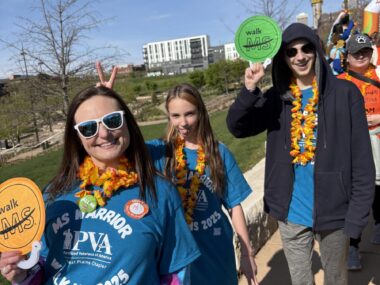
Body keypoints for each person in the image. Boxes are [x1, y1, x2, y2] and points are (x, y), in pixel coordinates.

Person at [0, 85, 200, 284]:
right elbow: (43, 263)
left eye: (112, 120)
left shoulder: (160, 193)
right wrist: (23, 274)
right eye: (89, 128)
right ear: (78, 137)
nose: (103, 134)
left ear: (127, 122)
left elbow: (176, 275)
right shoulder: (54, 194)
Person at [227, 22, 375, 285]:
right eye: (291, 52)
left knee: (336, 279)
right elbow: (237, 127)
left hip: (335, 210)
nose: (300, 56)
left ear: (317, 50)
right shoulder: (277, 99)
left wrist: (356, 218)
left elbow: (363, 161)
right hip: (291, 210)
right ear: (283, 58)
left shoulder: (346, 93)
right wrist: (249, 89)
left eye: (306, 48)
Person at [146, 83, 259, 285]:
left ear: (200, 112)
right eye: (175, 116)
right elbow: (122, 147)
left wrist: (246, 254)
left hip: (215, 250)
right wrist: (108, 104)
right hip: (177, 257)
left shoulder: (218, 153)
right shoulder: (159, 152)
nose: (183, 123)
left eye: (189, 114)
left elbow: (234, 205)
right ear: (169, 116)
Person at [337, 33, 380, 270]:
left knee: (379, 187)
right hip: (353, 144)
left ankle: (379, 224)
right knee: (356, 193)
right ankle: (353, 246)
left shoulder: (379, 74)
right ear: (348, 57)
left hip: (378, 139)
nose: (362, 56)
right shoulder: (340, 82)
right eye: (356, 52)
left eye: (365, 51)